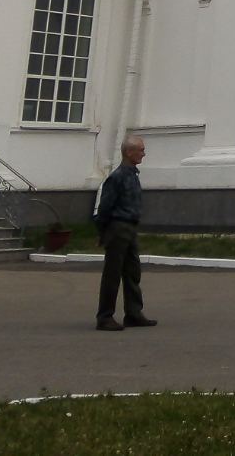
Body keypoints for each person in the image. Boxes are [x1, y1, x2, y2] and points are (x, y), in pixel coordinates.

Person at [94, 135, 155, 331]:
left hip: (130, 228)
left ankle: (134, 313)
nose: (144, 154)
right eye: (141, 150)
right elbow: (105, 207)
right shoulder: (117, 177)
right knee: (112, 275)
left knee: (132, 272)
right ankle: (105, 317)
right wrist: (103, 231)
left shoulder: (132, 175)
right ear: (129, 152)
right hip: (118, 227)